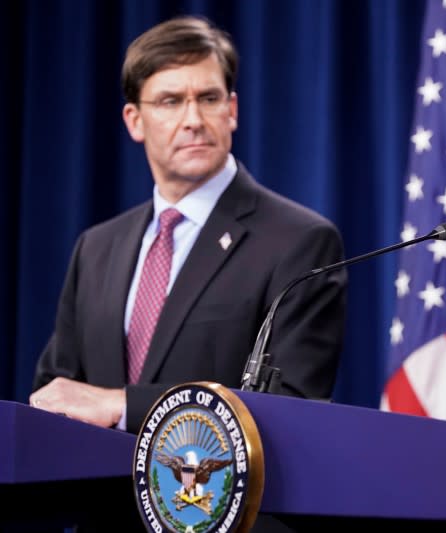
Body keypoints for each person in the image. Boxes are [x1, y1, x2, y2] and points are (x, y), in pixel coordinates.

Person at [29, 15, 347, 435]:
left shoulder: (300, 242)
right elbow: (56, 391)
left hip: (212, 495)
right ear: (134, 120)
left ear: (231, 110)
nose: (194, 119)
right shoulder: (97, 247)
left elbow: (291, 405)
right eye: (170, 101)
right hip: (94, 499)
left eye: (209, 98)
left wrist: (123, 406)